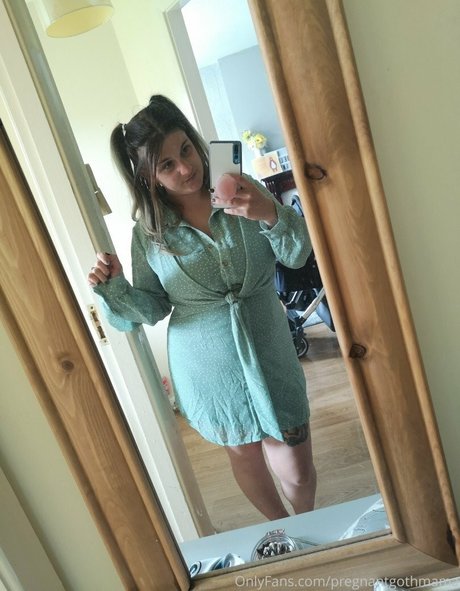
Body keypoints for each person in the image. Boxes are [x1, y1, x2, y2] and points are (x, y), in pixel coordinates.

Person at [88, 95, 317, 520]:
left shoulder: (242, 188)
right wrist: (115, 288)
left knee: (296, 461)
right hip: (207, 365)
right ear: (149, 178)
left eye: (186, 150)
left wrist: (270, 213)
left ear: (195, 142)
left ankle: (311, 525)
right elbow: (153, 307)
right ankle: (284, 532)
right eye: (167, 165)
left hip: (268, 343)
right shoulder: (149, 233)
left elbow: (296, 255)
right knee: (243, 452)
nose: (185, 168)